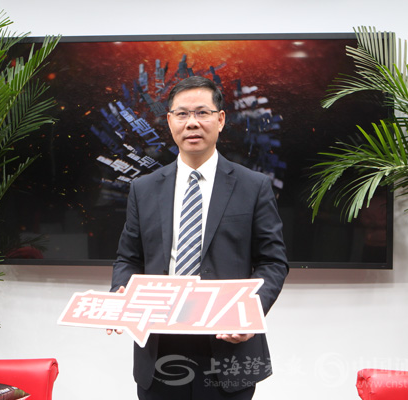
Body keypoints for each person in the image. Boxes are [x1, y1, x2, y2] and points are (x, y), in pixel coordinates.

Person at [109, 76, 288, 399]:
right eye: (182, 114)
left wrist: (248, 313)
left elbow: (272, 262)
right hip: (159, 347)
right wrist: (120, 292)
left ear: (220, 120)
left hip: (228, 346)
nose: (192, 123)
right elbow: (129, 258)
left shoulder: (254, 186)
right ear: (169, 121)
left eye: (202, 113)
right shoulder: (143, 188)